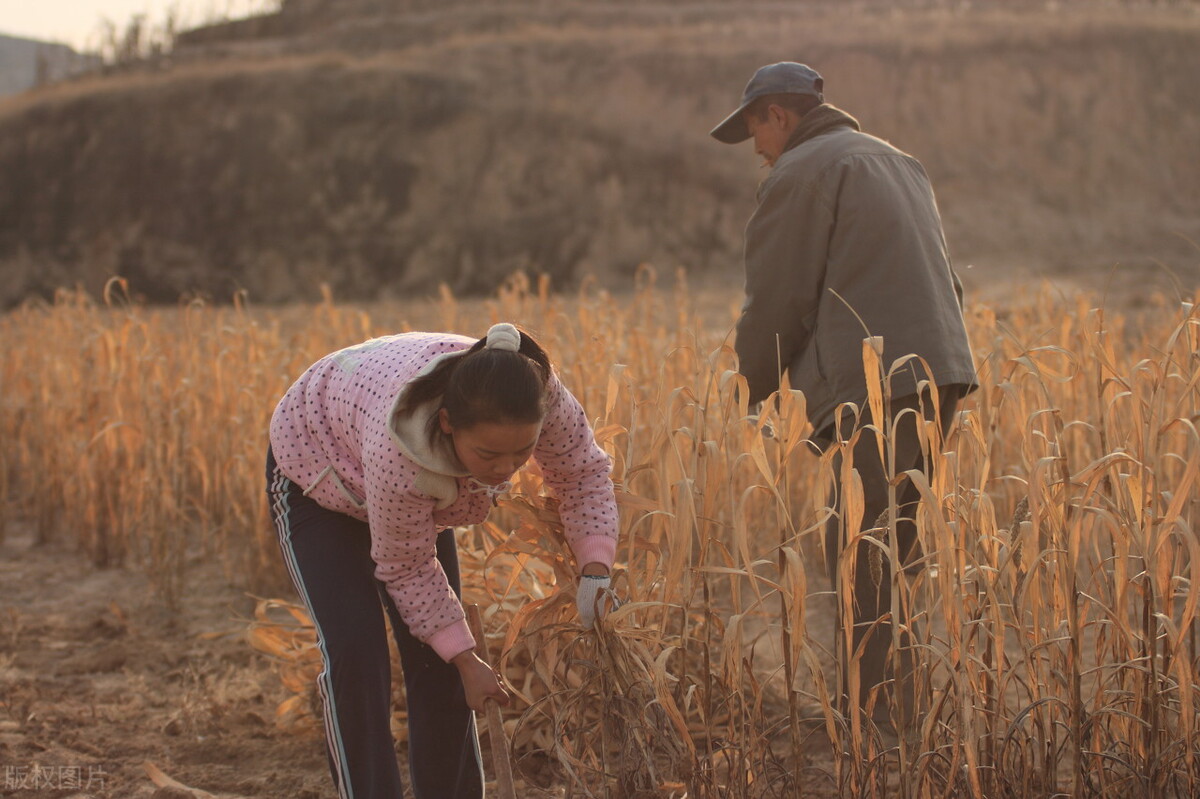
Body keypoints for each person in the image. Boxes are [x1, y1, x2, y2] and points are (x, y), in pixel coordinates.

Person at [711, 62, 977, 732]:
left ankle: (881, 726)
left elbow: (779, 296)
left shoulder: (801, 172)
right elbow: (946, 277)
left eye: (754, 130)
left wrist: (746, 385)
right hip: (938, 370)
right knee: (893, 549)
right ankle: (905, 716)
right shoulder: (897, 161)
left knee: (860, 554)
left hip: (876, 382)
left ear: (778, 114)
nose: (757, 149)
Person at [265, 323, 619, 798]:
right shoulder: (401, 458)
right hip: (318, 465)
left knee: (442, 663)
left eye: (523, 451)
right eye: (489, 454)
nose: (505, 470)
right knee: (356, 651)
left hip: (395, 469)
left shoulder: (538, 394)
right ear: (449, 423)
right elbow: (406, 568)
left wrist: (595, 572)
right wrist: (467, 657)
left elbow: (582, 474)